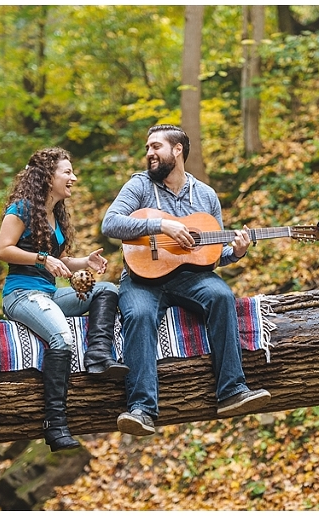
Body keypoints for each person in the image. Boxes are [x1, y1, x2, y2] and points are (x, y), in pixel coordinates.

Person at [102, 124, 271, 436]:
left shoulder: (205, 195)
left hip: (191, 277)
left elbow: (213, 254)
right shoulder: (139, 185)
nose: (149, 154)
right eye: (147, 148)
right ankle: (141, 408)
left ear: (177, 150)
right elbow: (110, 224)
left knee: (221, 295)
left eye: (156, 147)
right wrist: (161, 225)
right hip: (141, 278)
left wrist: (237, 251)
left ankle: (232, 391)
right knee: (138, 315)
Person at [0, 147, 128, 452]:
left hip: (50, 294)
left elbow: (59, 261)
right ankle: (54, 424)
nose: (73, 178)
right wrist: (42, 258)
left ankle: (98, 357)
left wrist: (84, 263)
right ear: (47, 176)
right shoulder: (21, 209)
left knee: (106, 290)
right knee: (61, 338)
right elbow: (3, 249)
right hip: (21, 294)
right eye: (67, 172)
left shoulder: (55, 214)